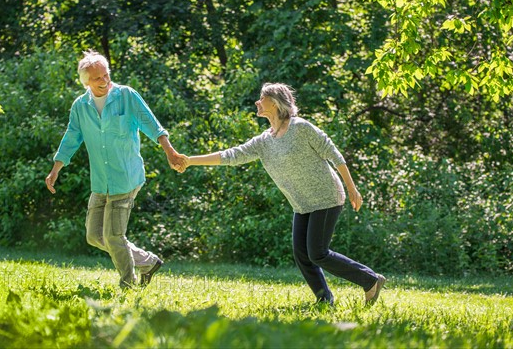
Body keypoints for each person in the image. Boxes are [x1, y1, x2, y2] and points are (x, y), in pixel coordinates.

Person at [176, 83, 386, 305]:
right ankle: (325, 299)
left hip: (326, 197)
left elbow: (333, 153)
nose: (257, 102)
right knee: (301, 254)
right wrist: (190, 161)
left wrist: (352, 188)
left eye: (261, 98)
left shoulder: (300, 128)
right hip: (302, 203)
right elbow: (231, 155)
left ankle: (370, 280)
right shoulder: (264, 141)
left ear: (275, 103)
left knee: (318, 253)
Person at [45, 50, 182, 289]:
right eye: (97, 78)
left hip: (126, 177)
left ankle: (128, 284)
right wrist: (56, 167)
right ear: (86, 81)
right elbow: (71, 137)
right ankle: (148, 262)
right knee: (94, 236)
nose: (104, 80)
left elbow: (151, 123)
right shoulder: (80, 106)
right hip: (101, 181)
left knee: (114, 236)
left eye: (106, 74)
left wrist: (169, 151)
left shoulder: (126, 96)